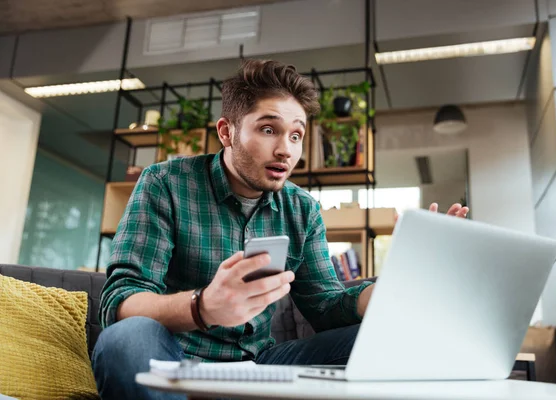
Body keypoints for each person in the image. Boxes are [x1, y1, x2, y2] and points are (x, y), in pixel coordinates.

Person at [92, 59, 469, 399]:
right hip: (176, 357)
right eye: (269, 129)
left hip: (262, 363)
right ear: (227, 132)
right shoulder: (165, 183)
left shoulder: (302, 208)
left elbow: (326, 307)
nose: (286, 150)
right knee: (125, 340)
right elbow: (121, 303)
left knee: (400, 339)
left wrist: (395, 286)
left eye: (296, 135)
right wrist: (203, 306)